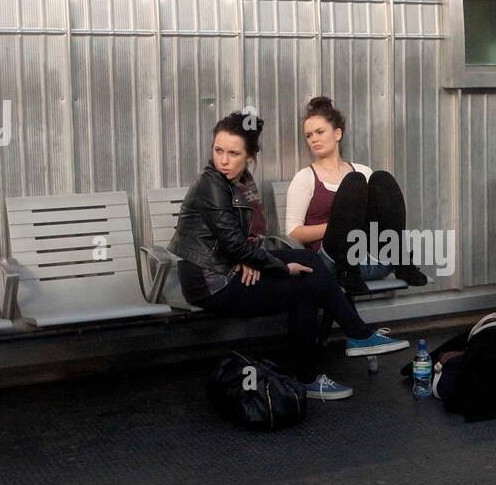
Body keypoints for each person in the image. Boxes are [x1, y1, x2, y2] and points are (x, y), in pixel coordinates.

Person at [169, 111, 409, 400]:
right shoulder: (212, 185)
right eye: (218, 151)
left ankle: (351, 342)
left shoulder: (241, 182)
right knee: (303, 287)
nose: (223, 160)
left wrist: (253, 257)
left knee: (307, 262)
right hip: (210, 282)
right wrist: (277, 268)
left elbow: (253, 232)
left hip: (229, 267)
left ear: (249, 157)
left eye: (233, 153)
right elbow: (233, 244)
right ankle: (344, 347)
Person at [285, 96, 429, 295]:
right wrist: (338, 226)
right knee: (354, 182)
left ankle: (401, 261)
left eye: (319, 132)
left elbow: (380, 217)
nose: (314, 139)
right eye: (309, 136)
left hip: (375, 258)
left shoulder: (363, 170)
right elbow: (293, 232)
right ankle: (348, 270)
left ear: (337, 133)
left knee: (382, 178)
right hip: (334, 262)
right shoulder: (305, 177)